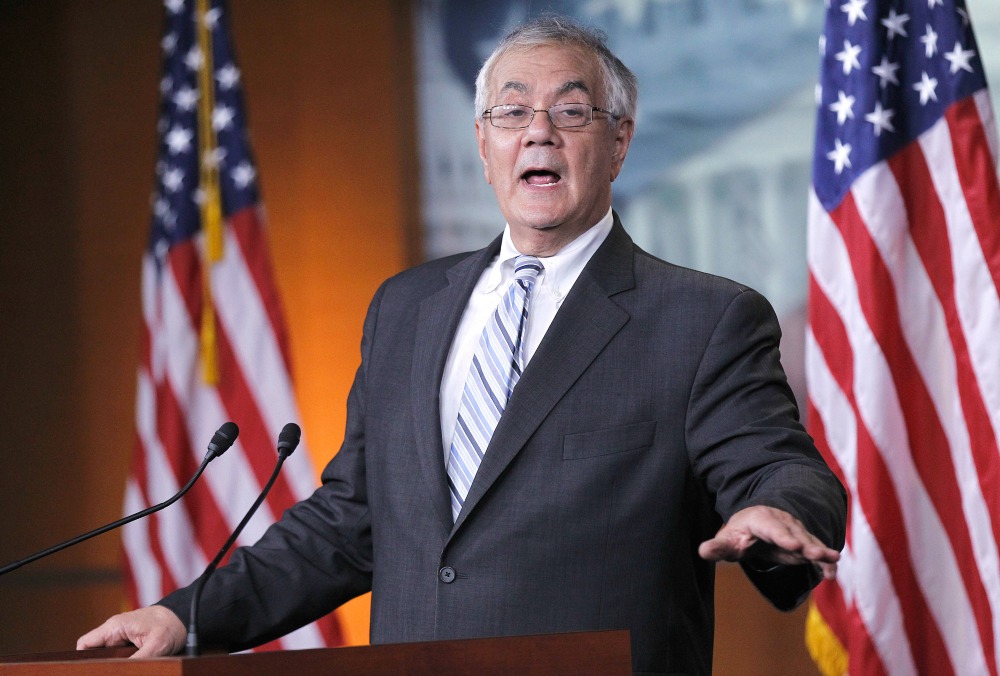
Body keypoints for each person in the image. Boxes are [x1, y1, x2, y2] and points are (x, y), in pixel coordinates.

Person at [79, 15, 846, 674]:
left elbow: (777, 465)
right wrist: (187, 617)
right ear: (484, 145)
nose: (538, 130)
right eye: (512, 114)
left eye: (571, 113)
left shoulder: (703, 317)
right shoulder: (406, 309)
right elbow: (350, 523)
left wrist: (777, 513)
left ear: (618, 145)